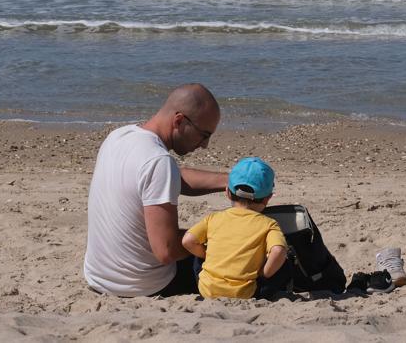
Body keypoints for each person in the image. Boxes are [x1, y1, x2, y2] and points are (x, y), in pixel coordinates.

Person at [83, 83, 227, 297]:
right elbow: (166, 250)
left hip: (99, 277)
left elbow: (170, 177)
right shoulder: (158, 161)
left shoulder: (119, 137)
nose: (205, 145)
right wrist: (220, 236)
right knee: (235, 252)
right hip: (144, 285)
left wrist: (229, 180)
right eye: (203, 135)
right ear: (179, 121)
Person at [181, 156, 288, 299]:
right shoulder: (269, 224)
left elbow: (188, 240)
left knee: (200, 254)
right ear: (268, 198)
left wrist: (206, 255)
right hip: (245, 293)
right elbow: (279, 251)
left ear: (227, 192)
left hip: (207, 289)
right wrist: (264, 273)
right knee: (284, 263)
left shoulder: (213, 218)